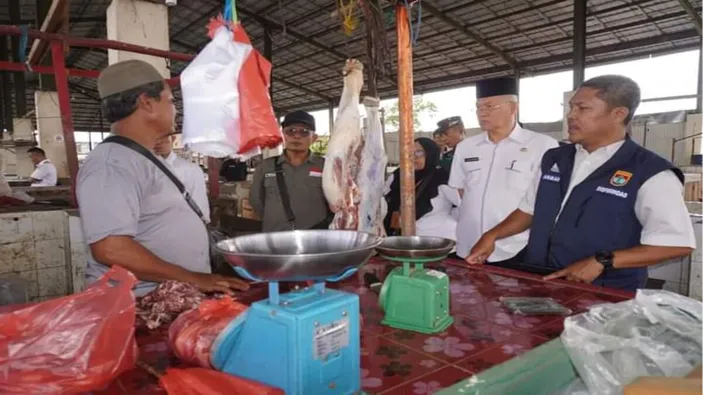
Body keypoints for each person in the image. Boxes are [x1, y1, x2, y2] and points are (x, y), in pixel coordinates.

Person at [467, 75, 696, 292]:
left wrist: (603, 261)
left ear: (618, 114)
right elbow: (529, 210)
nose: (571, 115)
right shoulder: (555, 158)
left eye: (583, 108)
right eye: (571, 107)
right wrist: (493, 235)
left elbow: (676, 244)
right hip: (541, 279)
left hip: (605, 291)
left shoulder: (650, 172)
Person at [77, 59, 248, 296]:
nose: (175, 109)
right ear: (147, 103)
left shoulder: (143, 158)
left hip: (174, 292)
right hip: (141, 303)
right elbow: (111, 249)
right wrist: (193, 278)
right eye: (170, 101)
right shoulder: (112, 164)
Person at [450, 76, 559, 265]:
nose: (481, 113)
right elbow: (461, 191)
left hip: (515, 246)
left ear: (513, 107)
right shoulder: (466, 147)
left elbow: (542, 201)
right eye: (478, 107)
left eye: (489, 106)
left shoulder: (542, 145)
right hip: (469, 244)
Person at [249, 110, 330, 232]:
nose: (297, 136)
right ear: (283, 135)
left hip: (314, 239)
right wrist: (276, 220)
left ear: (314, 138)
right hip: (275, 237)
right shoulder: (265, 166)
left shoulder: (326, 166)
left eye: (304, 132)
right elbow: (256, 202)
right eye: (291, 131)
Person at [383, 138, 450, 235]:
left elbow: (460, 206)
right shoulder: (399, 174)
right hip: (397, 236)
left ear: (430, 153)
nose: (413, 157)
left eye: (419, 152)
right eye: (410, 153)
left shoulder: (441, 177)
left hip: (433, 236)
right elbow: (382, 194)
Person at [154, 135, 210, 223]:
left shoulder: (191, 170)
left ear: (172, 139)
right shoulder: (142, 169)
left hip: (182, 226)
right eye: (153, 138)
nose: (158, 142)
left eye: (163, 137)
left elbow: (200, 207)